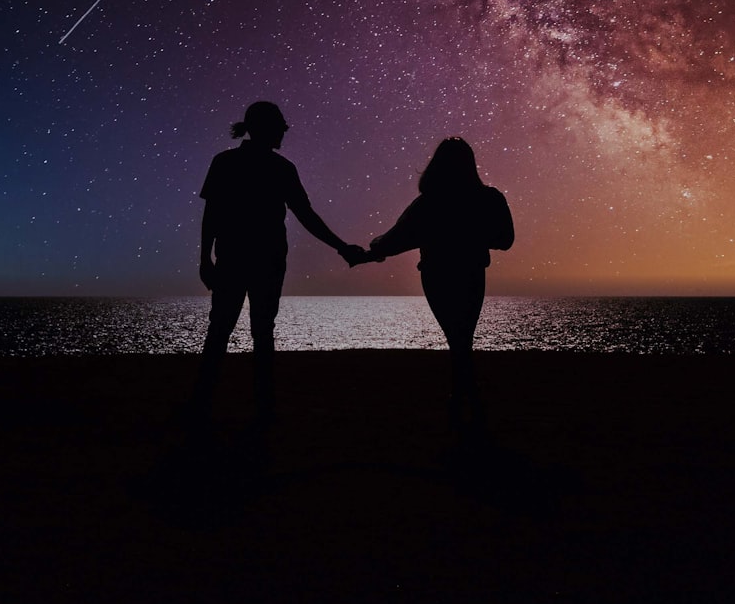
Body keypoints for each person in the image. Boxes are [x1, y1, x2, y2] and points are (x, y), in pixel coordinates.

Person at [195, 101, 365, 423]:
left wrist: (205, 258)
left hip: (235, 257)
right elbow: (305, 215)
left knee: (222, 328)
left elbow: (213, 215)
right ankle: (260, 404)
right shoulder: (279, 168)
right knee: (258, 329)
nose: (283, 135)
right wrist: (341, 247)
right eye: (280, 129)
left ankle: (207, 401)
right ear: (268, 129)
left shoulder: (228, 162)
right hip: (265, 259)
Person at [366, 137, 514, 437]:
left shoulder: (429, 202)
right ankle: (466, 400)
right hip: (472, 273)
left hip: (437, 275)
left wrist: (374, 248)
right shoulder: (489, 198)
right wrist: (474, 237)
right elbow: (505, 239)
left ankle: (463, 400)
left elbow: (399, 237)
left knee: (457, 338)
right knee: (462, 338)